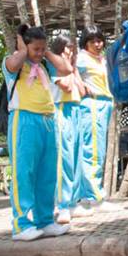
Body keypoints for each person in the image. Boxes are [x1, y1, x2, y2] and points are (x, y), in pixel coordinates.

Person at [3, 24, 72, 241]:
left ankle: (45, 220)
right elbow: (13, 64)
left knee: (47, 174)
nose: (39, 53)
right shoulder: (14, 63)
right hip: (24, 120)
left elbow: (66, 69)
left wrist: (46, 52)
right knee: (24, 173)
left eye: (43, 49)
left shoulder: (44, 65)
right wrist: (23, 49)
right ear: (25, 46)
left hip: (48, 121)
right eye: (36, 49)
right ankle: (21, 224)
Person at [75, 25, 119, 214]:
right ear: (85, 43)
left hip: (105, 104)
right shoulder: (81, 58)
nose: (97, 44)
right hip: (92, 104)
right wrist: (82, 86)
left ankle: (86, 194)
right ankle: (96, 198)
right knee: (93, 151)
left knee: (97, 149)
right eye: (93, 41)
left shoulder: (102, 59)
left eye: (100, 40)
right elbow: (68, 71)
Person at [47, 35, 86, 224]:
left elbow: (82, 91)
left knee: (76, 157)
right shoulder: (54, 67)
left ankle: (73, 202)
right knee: (65, 158)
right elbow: (67, 87)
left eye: (71, 48)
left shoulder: (71, 68)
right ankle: (62, 204)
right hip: (61, 109)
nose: (70, 52)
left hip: (75, 109)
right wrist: (68, 66)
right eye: (67, 48)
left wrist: (73, 69)